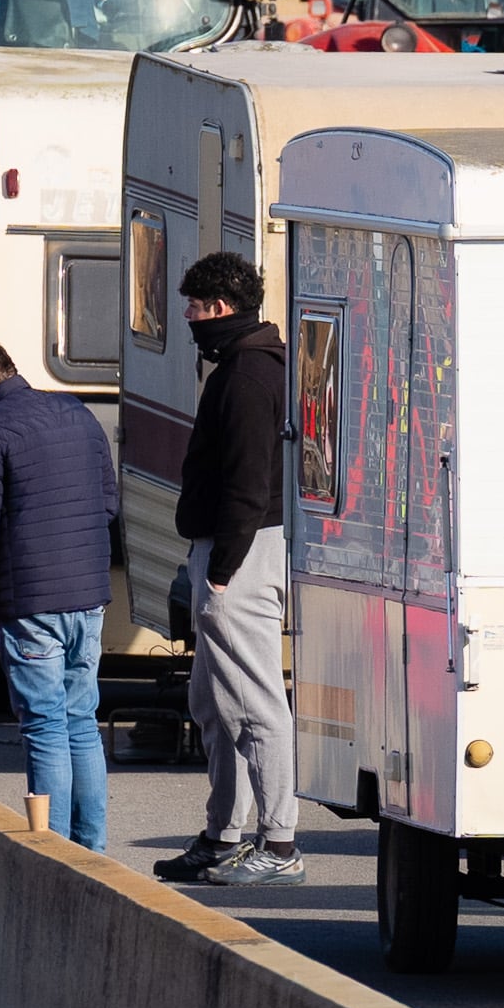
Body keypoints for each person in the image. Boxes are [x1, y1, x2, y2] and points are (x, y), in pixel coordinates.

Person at [0, 337, 118, 853]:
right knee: (81, 720)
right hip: (87, 593)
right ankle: (92, 849)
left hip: (29, 600)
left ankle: (54, 853)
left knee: (43, 725)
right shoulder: (76, 412)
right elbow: (107, 504)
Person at [157, 249, 295, 887]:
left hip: (241, 551)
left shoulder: (245, 376)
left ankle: (280, 844)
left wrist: (221, 572)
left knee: (256, 700)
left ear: (219, 308)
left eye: (192, 306)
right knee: (212, 700)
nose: (187, 317)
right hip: (230, 547)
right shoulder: (251, 365)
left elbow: (248, 481)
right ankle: (223, 834)